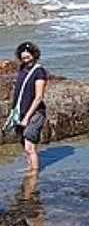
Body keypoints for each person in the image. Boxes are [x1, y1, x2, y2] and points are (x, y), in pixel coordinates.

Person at [11, 42, 48, 173]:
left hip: (35, 113)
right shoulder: (22, 69)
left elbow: (38, 97)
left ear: (34, 55)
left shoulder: (39, 72)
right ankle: (30, 168)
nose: (26, 60)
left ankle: (34, 175)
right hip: (20, 112)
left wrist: (27, 117)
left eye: (28, 57)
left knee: (29, 147)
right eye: (23, 58)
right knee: (23, 144)